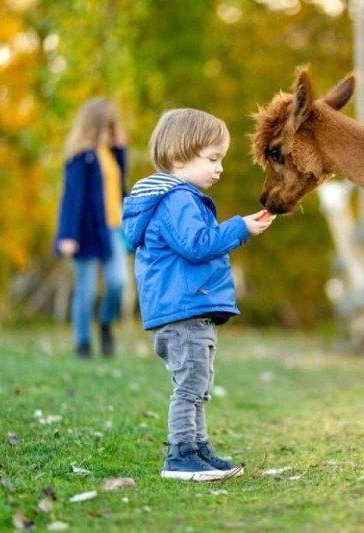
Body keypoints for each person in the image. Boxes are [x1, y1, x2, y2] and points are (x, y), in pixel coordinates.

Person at [122, 108, 273, 482]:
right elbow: (197, 244)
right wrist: (239, 228)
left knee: (198, 384)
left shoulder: (181, 198)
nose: (219, 168)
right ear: (178, 158)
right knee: (190, 385)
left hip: (189, 308)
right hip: (183, 310)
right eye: (213, 159)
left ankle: (198, 448)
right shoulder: (177, 200)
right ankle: (180, 454)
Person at [54, 98, 129, 358]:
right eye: (109, 125)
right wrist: (67, 235)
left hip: (113, 229)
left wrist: (120, 149)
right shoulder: (80, 156)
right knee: (85, 289)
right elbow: (71, 198)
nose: (113, 129)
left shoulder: (110, 154)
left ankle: (106, 322)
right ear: (98, 124)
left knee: (118, 282)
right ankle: (83, 343)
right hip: (85, 231)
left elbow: (120, 189)